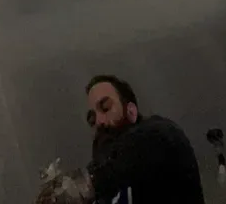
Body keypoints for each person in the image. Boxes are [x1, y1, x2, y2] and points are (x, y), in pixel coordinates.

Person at [86, 74, 205, 203]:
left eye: (106, 108)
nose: (99, 121)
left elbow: (147, 141)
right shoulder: (105, 175)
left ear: (131, 111)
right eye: (92, 119)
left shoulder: (160, 135)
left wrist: (86, 184)